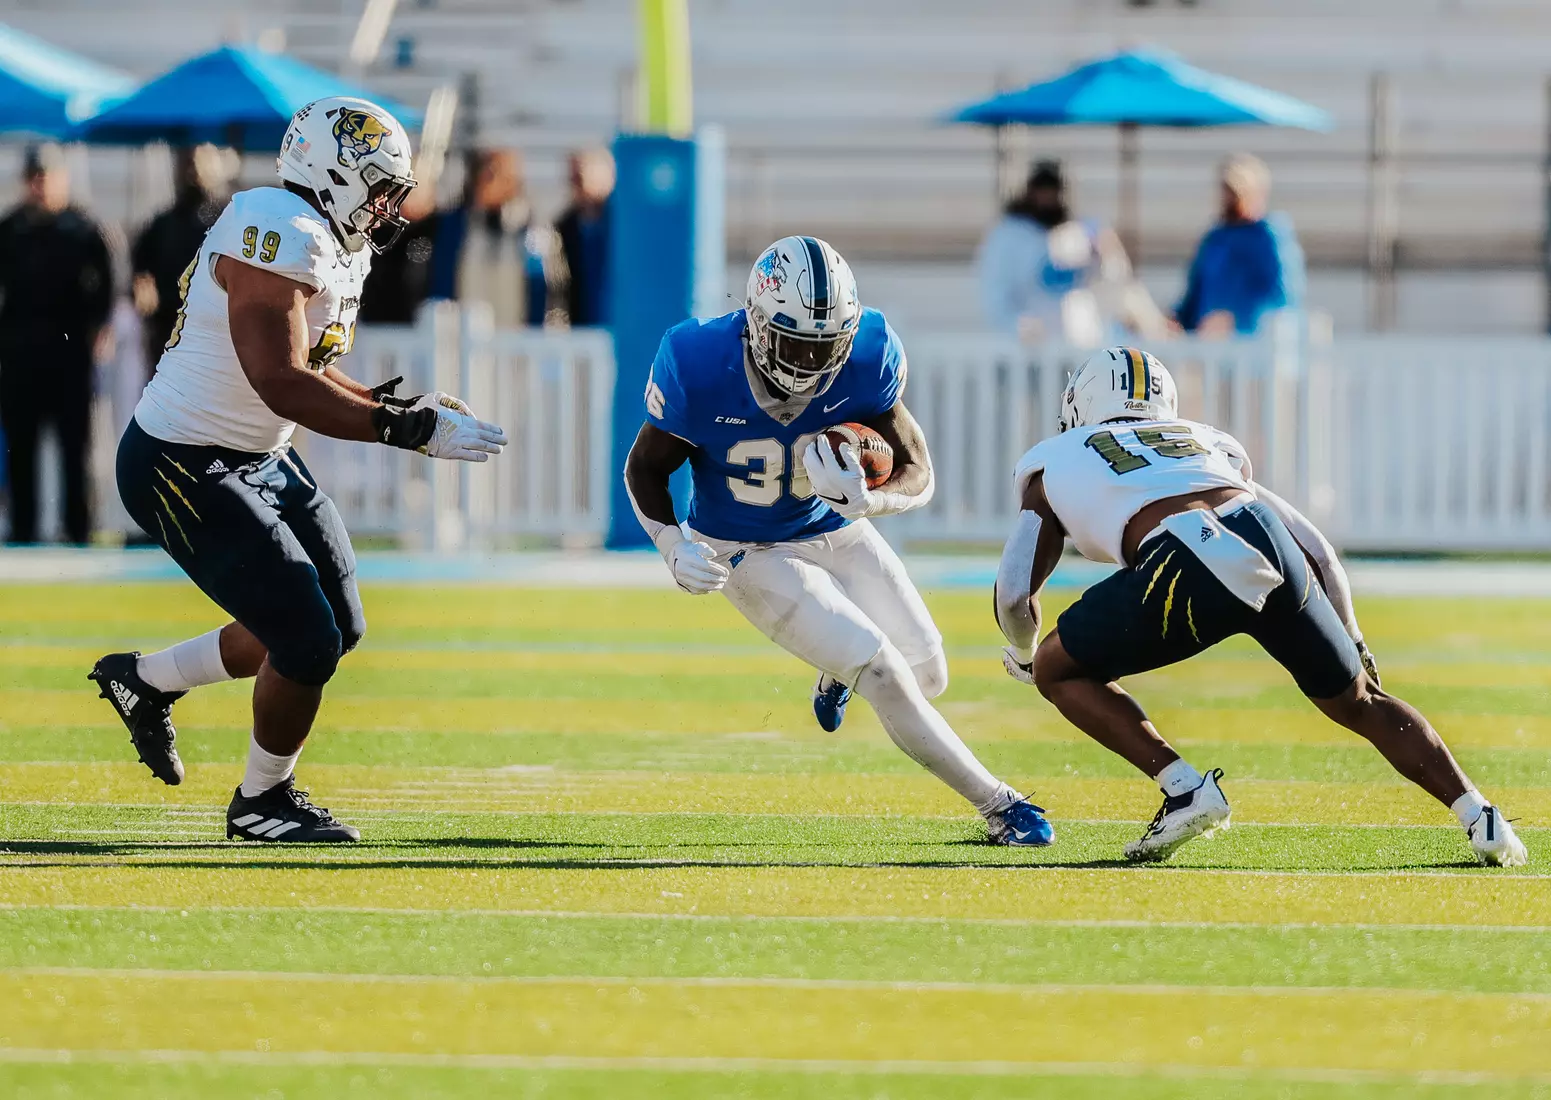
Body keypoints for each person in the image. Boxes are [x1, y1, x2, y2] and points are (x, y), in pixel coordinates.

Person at [87, 97, 508, 843]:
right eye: (379, 187)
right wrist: (403, 430)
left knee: (335, 626)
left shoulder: (329, 239)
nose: (388, 206)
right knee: (305, 638)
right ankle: (262, 801)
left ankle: (144, 681)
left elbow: (310, 365)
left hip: (255, 454)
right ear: (335, 172)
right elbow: (279, 381)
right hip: (182, 459)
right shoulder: (276, 227)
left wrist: (392, 405)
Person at [991, 346, 1527, 867]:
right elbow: (1319, 552)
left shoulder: (1055, 456)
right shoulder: (1203, 439)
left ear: (1080, 401)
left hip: (1186, 553)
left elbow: (1014, 592)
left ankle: (1184, 790)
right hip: (1265, 538)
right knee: (1361, 700)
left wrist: (1025, 653)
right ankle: (1482, 817)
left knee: (1057, 668)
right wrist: (1354, 640)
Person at [624, 235, 1053, 846]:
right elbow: (644, 467)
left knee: (928, 673)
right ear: (755, 323)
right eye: (793, 342)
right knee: (882, 671)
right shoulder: (696, 359)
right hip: (743, 547)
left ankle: (834, 675)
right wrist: (672, 543)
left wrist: (872, 500)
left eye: (824, 346)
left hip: (832, 525)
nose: (807, 363)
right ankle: (1001, 806)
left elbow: (918, 470)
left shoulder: (870, 355)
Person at [0, 144, 115, 545]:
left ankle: (78, 527)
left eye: (47, 177)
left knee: (74, 443)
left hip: (70, 350)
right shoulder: (10, 229)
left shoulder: (83, 228)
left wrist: (100, 329)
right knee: (21, 444)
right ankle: (23, 528)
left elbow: (106, 286)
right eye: (34, 178)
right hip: (19, 350)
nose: (41, 186)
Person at [977, 159, 1166, 347]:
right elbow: (996, 295)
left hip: (1082, 347)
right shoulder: (1008, 236)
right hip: (1030, 348)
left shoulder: (1079, 231)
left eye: (1053, 191)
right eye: (1042, 191)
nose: (1047, 199)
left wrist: (1107, 251)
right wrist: (1017, 326)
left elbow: (1119, 283)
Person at [1174, 154, 1305, 338]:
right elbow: (1195, 294)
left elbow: (1282, 296)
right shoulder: (1215, 239)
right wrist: (1177, 320)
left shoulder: (1268, 236)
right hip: (1209, 344)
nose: (1229, 199)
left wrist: (1235, 319)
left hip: (1252, 345)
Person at [426, 148, 558, 328]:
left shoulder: (530, 228)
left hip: (515, 332)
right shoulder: (456, 225)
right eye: (484, 173)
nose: (487, 181)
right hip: (465, 330)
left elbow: (541, 287)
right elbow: (442, 280)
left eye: (495, 175)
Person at [132, 145, 233, 372]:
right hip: (170, 326)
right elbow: (141, 266)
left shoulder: (229, 219)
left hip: (216, 330)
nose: (194, 171)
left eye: (202, 162)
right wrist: (143, 286)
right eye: (188, 163)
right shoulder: (163, 223)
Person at [555, 146, 614, 327]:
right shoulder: (564, 227)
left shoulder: (623, 226)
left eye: (579, 177)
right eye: (572, 178)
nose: (575, 184)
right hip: (581, 323)